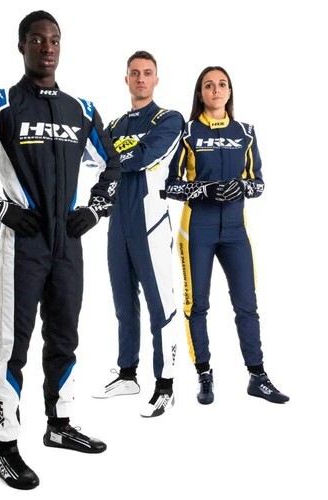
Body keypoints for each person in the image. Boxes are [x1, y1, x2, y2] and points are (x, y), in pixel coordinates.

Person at [0, 11, 121, 490]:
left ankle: (60, 425)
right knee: (11, 344)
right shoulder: (0, 103)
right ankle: (4, 447)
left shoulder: (81, 110)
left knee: (64, 337)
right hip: (24, 243)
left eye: (54, 39)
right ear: (22, 46)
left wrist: (95, 210)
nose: (47, 47)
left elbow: (114, 166)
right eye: (37, 39)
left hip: (68, 245)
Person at [166, 66, 289, 405]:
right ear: (200, 93)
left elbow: (258, 183)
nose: (216, 90)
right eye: (209, 85)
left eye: (222, 84)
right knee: (197, 305)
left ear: (230, 92)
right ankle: (204, 373)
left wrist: (243, 187)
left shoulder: (245, 133)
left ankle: (258, 376)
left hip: (236, 230)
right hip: (197, 229)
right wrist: (203, 189)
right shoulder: (187, 132)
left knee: (247, 304)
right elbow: (170, 186)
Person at [92, 51, 184, 418]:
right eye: (135, 73)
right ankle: (128, 374)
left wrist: (113, 159)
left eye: (147, 73)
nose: (141, 79)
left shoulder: (169, 119)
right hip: (118, 221)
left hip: (150, 221)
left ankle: (166, 384)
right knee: (123, 302)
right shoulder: (114, 124)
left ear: (156, 79)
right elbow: (93, 158)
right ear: (126, 79)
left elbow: (146, 156)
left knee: (161, 304)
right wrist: (111, 159)